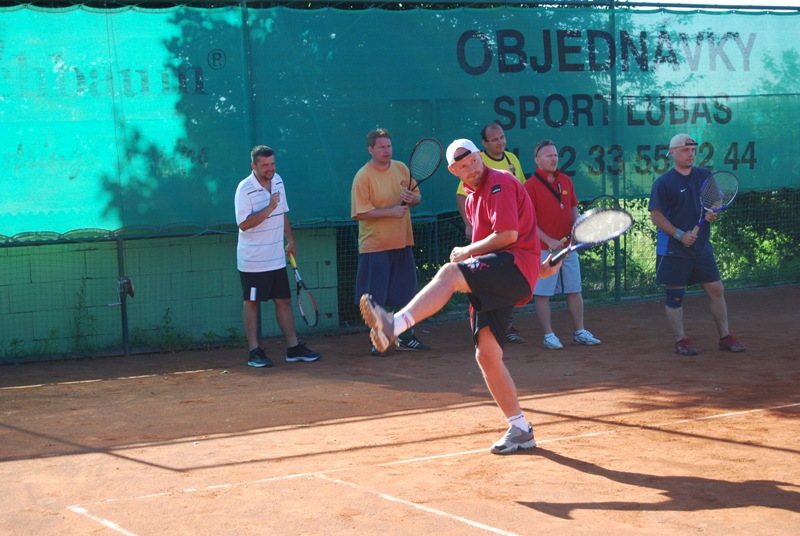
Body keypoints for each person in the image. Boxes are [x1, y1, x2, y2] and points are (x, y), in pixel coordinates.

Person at [360, 139, 561, 454]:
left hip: (514, 269)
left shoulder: (500, 183)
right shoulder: (472, 199)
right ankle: (521, 429)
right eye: (463, 167)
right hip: (509, 274)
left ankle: (393, 325)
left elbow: (507, 237)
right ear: (455, 171)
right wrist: (538, 268)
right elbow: (505, 247)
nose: (471, 170)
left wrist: (466, 253)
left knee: (451, 273)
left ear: (481, 157)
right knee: (487, 356)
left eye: (474, 162)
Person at [648, 134, 746, 355]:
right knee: (675, 295)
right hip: (673, 249)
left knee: (716, 288)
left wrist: (714, 210)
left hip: (701, 247)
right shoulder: (663, 183)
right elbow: (656, 216)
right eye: (685, 150)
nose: (690, 153)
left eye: (692, 149)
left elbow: (717, 200)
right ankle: (681, 339)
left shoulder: (704, 175)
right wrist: (680, 235)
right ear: (672, 153)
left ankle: (725, 336)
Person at [235, 145, 321, 367]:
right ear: (254, 166)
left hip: (276, 259)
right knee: (252, 302)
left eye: (272, 164)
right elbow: (244, 224)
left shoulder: (279, 180)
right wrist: (269, 207)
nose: (270, 169)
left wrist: (290, 239)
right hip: (253, 261)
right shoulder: (244, 189)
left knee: (283, 300)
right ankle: (254, 351)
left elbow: (282, 212)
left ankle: (293, 348)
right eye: (264, 165)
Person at [351, 128, 430, 356]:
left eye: (389, 146)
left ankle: (405, 337)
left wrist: (411, 199)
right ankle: (379, 339)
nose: (387, 151)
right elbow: (360, 212)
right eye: (381, 147)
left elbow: (417, 198)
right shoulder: (363, 177)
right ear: (371, 150)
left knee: (405, 294)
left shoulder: (401, 168)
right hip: (375, 246)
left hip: (402, 242)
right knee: (375, 298)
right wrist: (390, 212)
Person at [523, 139, 601, 350]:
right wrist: (549, 240)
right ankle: (549, 335)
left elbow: (573, 208)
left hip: (568, 248)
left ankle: (580, 331)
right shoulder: (529, 187)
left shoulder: (565, 181)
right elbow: (528, 221)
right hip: (542, 250)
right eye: (549, 155)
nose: (554, 158)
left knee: (575, 290)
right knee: (542, 293)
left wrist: (577, 232)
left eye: (556, 155)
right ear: (537, 160)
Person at [456, 122, 527, 344]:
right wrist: (469, 225)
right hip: (492, 241)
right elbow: (463, 195)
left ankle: (398, 323)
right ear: (484, 144)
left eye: (502, 137)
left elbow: (521, 192)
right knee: (487, 352)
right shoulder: (475, 175)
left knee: (452, 276)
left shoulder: (510, 163)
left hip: (510, 240)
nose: (500, 142)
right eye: (494, 139)